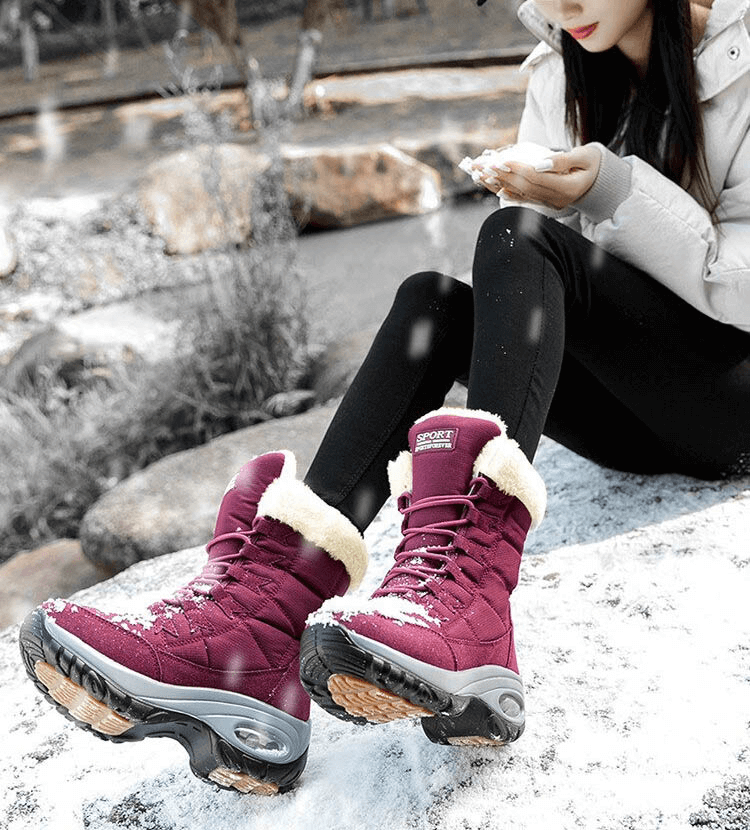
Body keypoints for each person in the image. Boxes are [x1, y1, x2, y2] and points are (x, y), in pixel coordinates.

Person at [18, 0, 750, 796]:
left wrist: (608, 189)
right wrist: (540, 201)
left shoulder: (742, 53)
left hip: (730, 401)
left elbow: (738, 291)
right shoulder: (557, 70)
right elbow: (534, 297)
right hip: (635, 414)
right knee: (433, 301)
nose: (558, 3)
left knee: (521, 239)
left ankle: (471, 604)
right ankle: (257, 632)